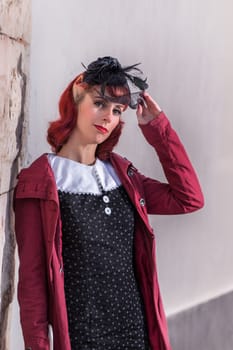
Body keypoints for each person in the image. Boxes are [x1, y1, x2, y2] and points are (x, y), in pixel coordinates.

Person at [14, 56, 204, 350]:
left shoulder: (122, 175)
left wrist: (158, 129)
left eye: (117, 111)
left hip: (137, 334)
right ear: (78, 95)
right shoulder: (40, 182)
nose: (107, 117)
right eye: (99, 103)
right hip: (83, 339)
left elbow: (188, 198)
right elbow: (32, 284)